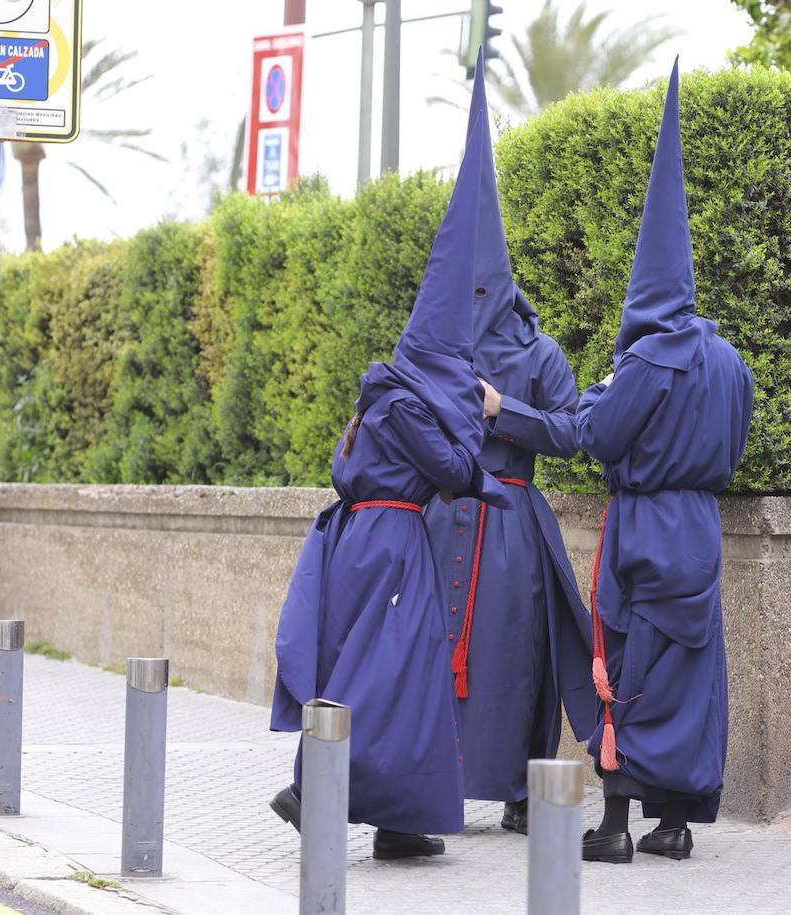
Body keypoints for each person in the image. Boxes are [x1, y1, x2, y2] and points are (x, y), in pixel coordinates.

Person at [266, 105, 508, 860]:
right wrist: (478, 423)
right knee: (383, 673)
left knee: (403, 674)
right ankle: (314, 788)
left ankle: (401, 819)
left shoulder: (389, 393)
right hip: (391, 540)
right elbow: (454, 471)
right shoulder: (407, 400)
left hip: (369, 539)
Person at [574, 60, 755, 865]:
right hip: (700, 527)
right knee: (691, 672)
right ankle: (675, 821)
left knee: (626, 660)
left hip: (645, 524)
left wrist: (585, 399)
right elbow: (738, 444)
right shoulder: (733, 363)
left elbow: (599, 434)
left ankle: (615, 823)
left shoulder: (648, 359)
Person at [422, 51, 595, 836]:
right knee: (430, 651)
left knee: (516, 658)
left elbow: (574, 432)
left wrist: (504, 410)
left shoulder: (540, 353)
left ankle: (522, 791)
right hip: (440, 518)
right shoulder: (435, 345)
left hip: (514, 522)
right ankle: (427, 785)